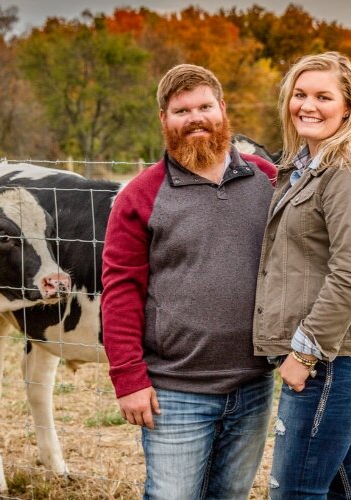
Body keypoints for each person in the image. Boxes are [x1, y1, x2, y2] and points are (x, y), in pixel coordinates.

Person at [101, 64, 278, 499]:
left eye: (204, 106)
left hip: (253, 384)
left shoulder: (267, 179)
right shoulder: (141, 195)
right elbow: (121, 289)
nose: (196, 118)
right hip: (175, 390)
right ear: (164, 119)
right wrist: (129, 378)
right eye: (182, 110)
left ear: (223, 109)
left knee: (231, 495)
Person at [253, 51, 351, 499]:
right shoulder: (305, 168)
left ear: (348, 107)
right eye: (300, 95)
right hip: (331, 359)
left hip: (334, 361)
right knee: (343, 493)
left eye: (323, 96)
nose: (308, 106)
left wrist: (305, 354)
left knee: (294, 492)